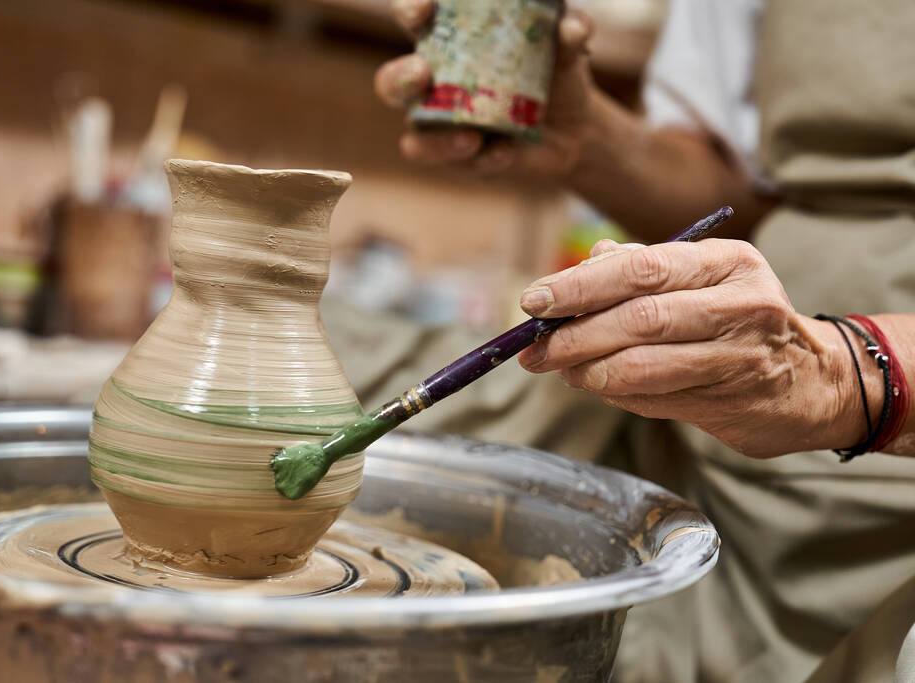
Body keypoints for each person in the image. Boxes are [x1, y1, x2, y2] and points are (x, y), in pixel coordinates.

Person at [372, 0, 915, 681]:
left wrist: (850, 375)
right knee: (330, 377)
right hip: (730, 388)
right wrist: (588, 141)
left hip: (884, 448)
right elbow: (738, 191)